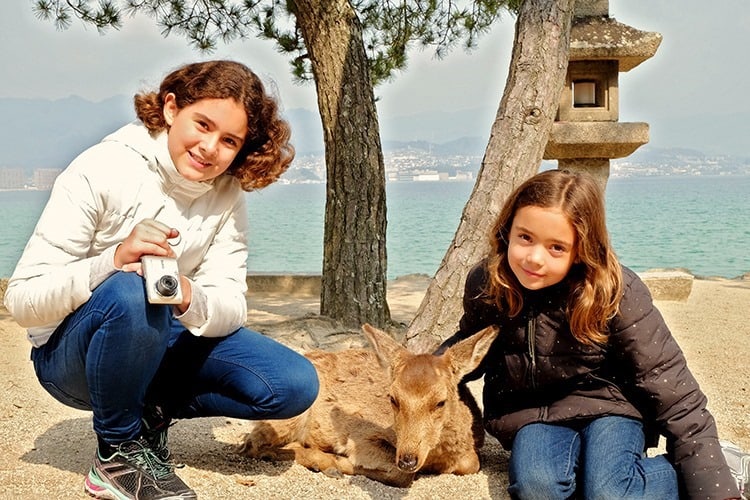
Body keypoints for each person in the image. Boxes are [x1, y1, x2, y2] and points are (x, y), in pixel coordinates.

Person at [3, 60, 320, 499]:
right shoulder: (102, 167)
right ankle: (116, 453)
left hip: (154, 339)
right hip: (69, 357)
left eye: (229, 140)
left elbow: (232, 304)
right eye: (202, 124)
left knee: (292, 384)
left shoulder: (226, 194)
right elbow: (21, 301)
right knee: (131, 288)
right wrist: (112, 260)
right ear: (171, 108)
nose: (210, 148)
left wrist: (190, 297)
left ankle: (148, 413)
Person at [437, 169, 742, 499]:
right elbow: (471, 347)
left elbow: (673, 390)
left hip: (610, 405)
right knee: (537, 488)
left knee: (609, 492)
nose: (534, 258)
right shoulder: (489, 281)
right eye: (525, 237)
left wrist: (716, 486)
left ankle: (727, 464)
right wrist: (425, 372)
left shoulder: (615, 292)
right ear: (507, 230)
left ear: (581, 249)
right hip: (532, 412)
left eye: (556, 247)